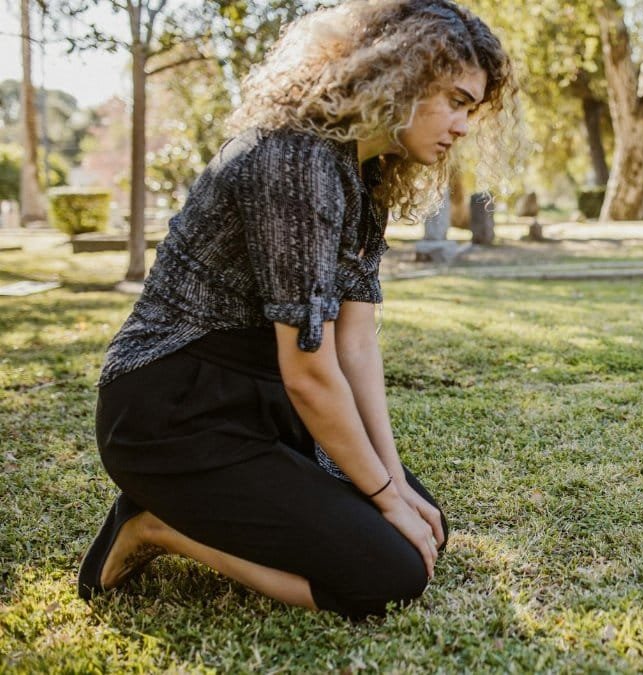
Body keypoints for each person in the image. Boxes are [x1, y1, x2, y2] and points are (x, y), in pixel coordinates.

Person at [78, 0, 517, 619]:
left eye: (472, 108)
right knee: (390, 576)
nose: (463, 126)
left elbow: (356, 343)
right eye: (455, 100)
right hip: (173, 411)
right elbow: (310, 373)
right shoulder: (293, 163)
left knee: (423, 526)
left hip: (262, 405)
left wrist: (391, 481)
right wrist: (386, 498)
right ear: (396, 76)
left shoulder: (367, 171)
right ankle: (155, 526)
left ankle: (185, 509)